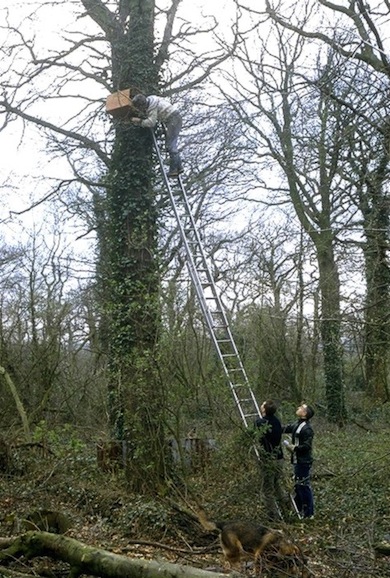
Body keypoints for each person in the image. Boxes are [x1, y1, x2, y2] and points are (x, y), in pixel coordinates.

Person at [130, 93, 183, 178]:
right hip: (175, 118)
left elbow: (151, 123)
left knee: (171, 146)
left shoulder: (152, 107)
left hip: (173, 120)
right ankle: (179, 167)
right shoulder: (152, 99)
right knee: (171, 144)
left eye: (139, 108)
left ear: (142, 105)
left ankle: (173, 170)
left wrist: (139, 121)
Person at [255, 399, 287, 521]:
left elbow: (255, 434)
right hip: (279, 458)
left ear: (264, 409)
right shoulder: (277, 421)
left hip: (269, 460)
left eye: (262, 405)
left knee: (267, 490)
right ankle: (286, 507)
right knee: (276, 483)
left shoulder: (260, 422)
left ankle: (274, 516)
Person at [283, 403, 315, 519]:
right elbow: (286, 428)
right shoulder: (297, 424)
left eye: (301, 408)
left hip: (303, 461)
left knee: (303, 486)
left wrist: (294, 448)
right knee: (298, 486)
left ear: (305, 413)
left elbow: (307, 446)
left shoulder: (307, 429)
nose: (298, 408)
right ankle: (299, 510)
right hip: (297, 460)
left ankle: (309, 513)